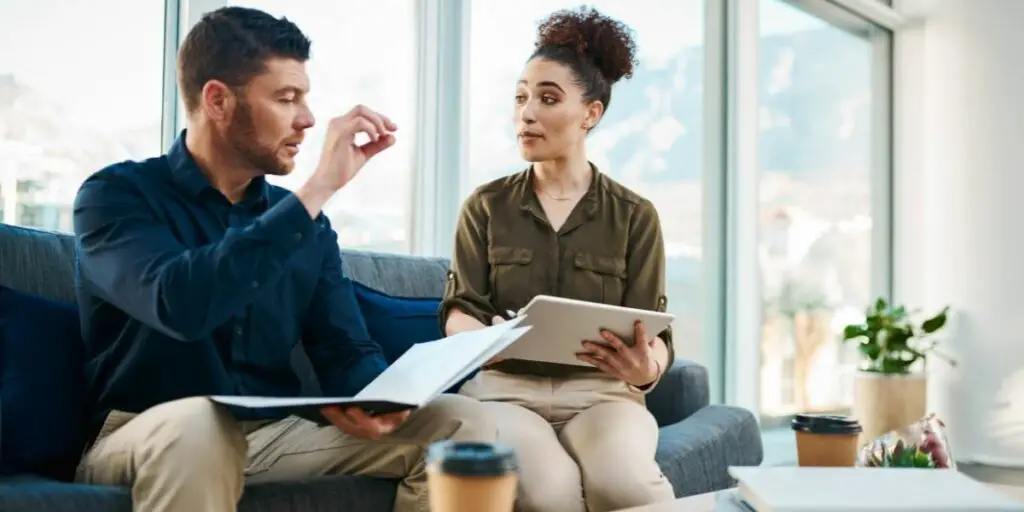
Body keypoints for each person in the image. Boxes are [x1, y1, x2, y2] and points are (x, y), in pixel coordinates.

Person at [72, 7, 496, 512]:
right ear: (218, 101)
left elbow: (343, 350)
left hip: (274, 436)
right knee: (199, 424)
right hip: (144, 431)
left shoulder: (305, 226)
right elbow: (178, 303)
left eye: (305, 97)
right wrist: (318, 189)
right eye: (286, 97)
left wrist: (379, 397)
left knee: (463, 425)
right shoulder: (116, 196)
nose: (308, 118)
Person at [439, 6, 677, 512]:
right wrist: (478, 340)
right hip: (506, 394)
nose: (526, 113)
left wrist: (645, 370)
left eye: (548, 99)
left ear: (591, 113)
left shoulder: (635, 215)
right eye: (521, 97)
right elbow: (460, 309)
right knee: (550, 494)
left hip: (604, 396)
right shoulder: (485, 206)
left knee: (627, 487)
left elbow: (655, 333)